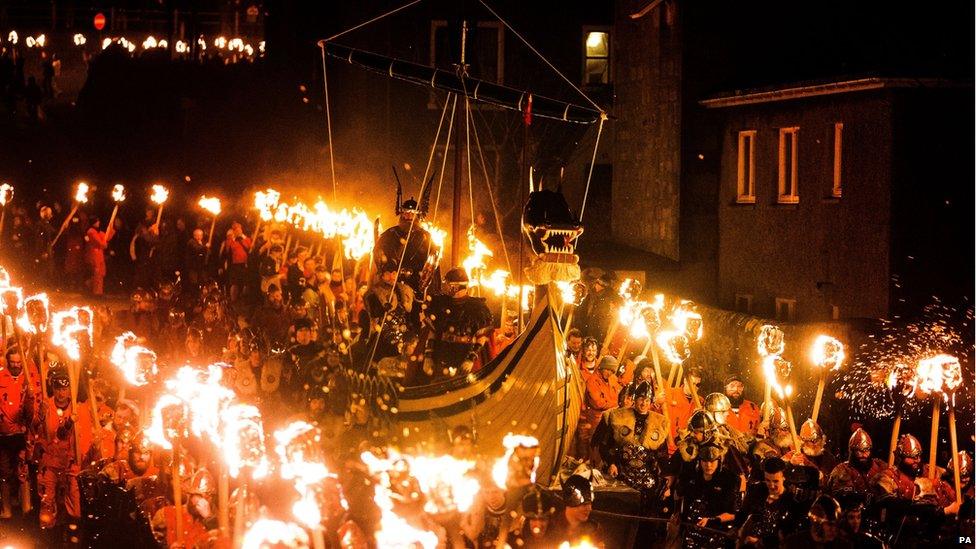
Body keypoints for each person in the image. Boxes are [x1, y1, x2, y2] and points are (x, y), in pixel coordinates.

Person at [37, 363, 96, 543]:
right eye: (58, 388)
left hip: (72, 463)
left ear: (70, 389)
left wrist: (83, 456)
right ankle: (48, 539)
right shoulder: (46, 407)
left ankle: (73, 537)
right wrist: (39, 416)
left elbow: (85, 436)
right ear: (53, 388)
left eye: (65, 388)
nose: (62, 393)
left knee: (75, 506)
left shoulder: (79, 410)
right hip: (51, 462)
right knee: (47, 503)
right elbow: (39, 431)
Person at [592, 380, 668, 511]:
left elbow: (662, 454)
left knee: (645, 512)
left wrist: (665, 480)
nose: (643, 403)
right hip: (622, 474)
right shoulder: (618, 417)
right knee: (620, 509)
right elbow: (605, 444)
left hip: (647, 478)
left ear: (651, 401)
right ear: (635, 399)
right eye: (640, 399)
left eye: (647, 400)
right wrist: (611, 463)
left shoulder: (659, 423)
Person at [675, 440, 739, 547]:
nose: (708, 465)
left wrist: (711, 521)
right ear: (699, 461)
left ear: (719, 461)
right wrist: (677, 513)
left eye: (712, 461)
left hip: (717, 535)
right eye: (704, 461)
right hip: (690, 533)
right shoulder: (692, 476)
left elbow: (733, 514)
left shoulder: (729, 480)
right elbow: (680, 496)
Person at [737, 457, 803, 548]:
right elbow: (743, 513)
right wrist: (736, 527)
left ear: (784, 478)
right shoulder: (756, 490)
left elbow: (788, 535)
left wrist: (760, 541)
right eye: (767, 480)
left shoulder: (791, 501)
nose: (771, 485)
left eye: (776, 481)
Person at [0, 346, 33, 517]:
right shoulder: (0, 377)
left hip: (22, 435)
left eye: (19, 362)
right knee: (5, 472)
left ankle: (26, 507)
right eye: (12, 362)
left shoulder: (28, 379)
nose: (15, 365)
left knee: (22, 471)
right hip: (4, 435)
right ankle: (6, 510)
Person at [576, 356, 621, 460]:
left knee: (604, 445)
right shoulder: (592, 381)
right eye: (607, 369)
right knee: (593, 444)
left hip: (609, 418)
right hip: (595, 419)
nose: (609, 373)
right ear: (601, 367)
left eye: (612, 371)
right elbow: (597, 403)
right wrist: (613, 404)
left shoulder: (612, 379)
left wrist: (611, 403)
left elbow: (616, 397)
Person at [827, 428, 886, 500]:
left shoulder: (881, 468)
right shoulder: (841, 470)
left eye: (866, 449)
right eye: (859, 450)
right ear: (852, 451)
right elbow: (836, 495)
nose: (863, 454)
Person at [781, 494, 853, 547]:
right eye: (830, 524)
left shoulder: (843, 546)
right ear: (816, 523)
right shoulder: (794, 543)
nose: (834, 529)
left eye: (836, 524)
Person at [549, 474, 601, 546]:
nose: (589, 509)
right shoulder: (551, 529)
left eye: (590, 504)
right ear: (570, 503)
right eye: (584, 505)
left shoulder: (594, 530)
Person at [575, 271, 621, 346]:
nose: (599, 286)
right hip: (584, 323)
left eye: (602, 285)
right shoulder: (590, 291)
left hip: (597, 327)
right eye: (598, 283)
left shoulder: (609, 296)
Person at [665, 365, 703, 439]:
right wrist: (656, 402)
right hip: (670, 443)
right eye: (692, 383)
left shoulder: (700, 402)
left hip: (687, 445)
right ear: (685, 380)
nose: (694, 387)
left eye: (698, 385)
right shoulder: (671, 393)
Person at [221, 222, 252, 302]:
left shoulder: (247, 239)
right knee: (234, 283)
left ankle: (244, 299)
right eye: (235, 230)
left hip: (245, 265)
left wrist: (243, 238)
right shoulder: (231, 241)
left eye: (239, 229)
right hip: (235, 266)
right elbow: (227, 251)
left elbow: (250, 247)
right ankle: (233, 300)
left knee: (246, 283)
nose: (238, 231)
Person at [724, 374, 761, 438]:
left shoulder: (753, 408)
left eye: (739, 386)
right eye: (732, 386)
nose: (736, 389)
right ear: (726, 388)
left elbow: (759, 432)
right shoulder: (718, 408)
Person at [84, 216, 114, 295]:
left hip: (100, 254)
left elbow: (107, 238)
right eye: (97, 221)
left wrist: (110, 228)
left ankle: (98, 291)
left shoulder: (99, 232)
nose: (98, 223)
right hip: (94, 254)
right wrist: (104, 245)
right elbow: (100, 242)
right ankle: (95, 292)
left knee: (101, 272)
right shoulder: (91, 231)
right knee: (97, 273)